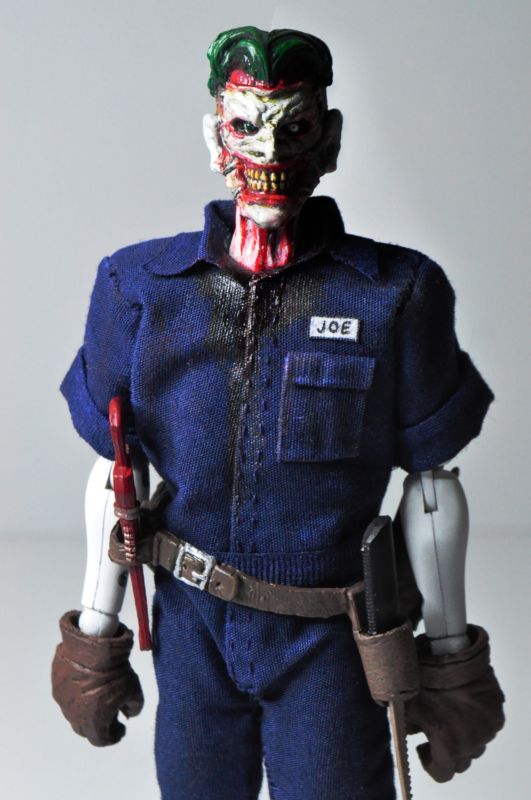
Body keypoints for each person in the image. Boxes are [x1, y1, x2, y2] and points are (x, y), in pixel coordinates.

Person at [52, 26, 504, 800]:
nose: (268, 150)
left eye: (294, 127)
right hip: (191, 624)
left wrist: (449, 655)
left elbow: (430, 486)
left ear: (330, 138)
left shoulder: (393, 292)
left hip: (330, 636)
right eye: (244, 125)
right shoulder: (140, 289)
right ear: (214, 138)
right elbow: (117, 473)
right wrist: (94, 636)